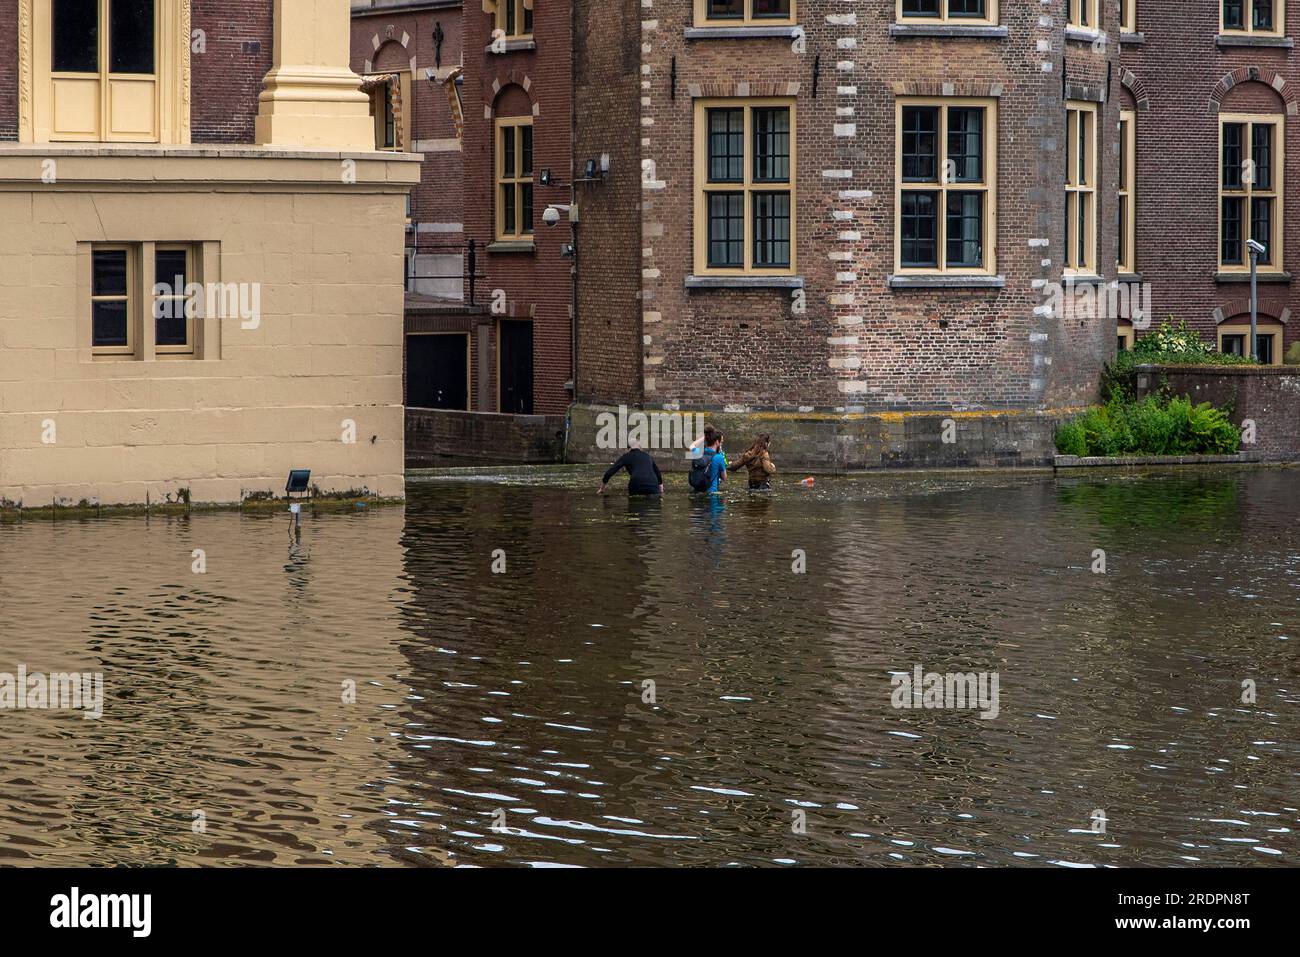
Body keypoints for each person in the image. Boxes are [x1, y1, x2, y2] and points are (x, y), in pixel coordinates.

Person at [598, 440, 664, 496]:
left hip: (636, 485)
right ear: (640, 447)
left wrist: (602, 488)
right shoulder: (647, 456)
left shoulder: (626, 456)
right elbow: (658, 473)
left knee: (634, 507)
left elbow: (609, 473)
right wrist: (661, 490)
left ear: (628, 449)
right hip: (653, 486)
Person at [688, 427, 727, 493]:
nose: (721, 445)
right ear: (717, 442)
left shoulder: (698, 453)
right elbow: (724, 478)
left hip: (696, 491)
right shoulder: (719, 457)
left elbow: (691, 446)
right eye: (721, 442)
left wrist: (705, 437)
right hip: (712, 493)